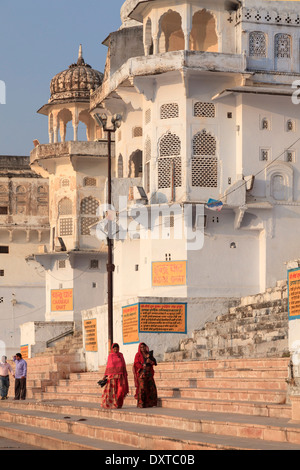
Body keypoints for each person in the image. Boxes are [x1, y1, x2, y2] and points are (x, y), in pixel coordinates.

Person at [101, 343, 129, 409]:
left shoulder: (121, 355)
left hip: (120, 376)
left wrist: (125, 374)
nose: (116, 350)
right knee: (112, 392)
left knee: (120, 391)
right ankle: (113, 404)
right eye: (114, 348)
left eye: (117, 348)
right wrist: (105, 376)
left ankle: (119, 404)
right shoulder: (110, 356)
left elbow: (123, 364)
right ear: (112, 349)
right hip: (112, 377)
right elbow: (108, 366)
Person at [133, 342, 157, 408]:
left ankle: (150, 403)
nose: (142, 348)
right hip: (141, 373)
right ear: (139, 348)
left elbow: (154, 361)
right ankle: (141, 403)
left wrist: (151, 362)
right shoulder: (138, 355)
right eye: (141, 347)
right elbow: (136, 363)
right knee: (142, 387)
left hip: (149, 373)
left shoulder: (148, 354)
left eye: (143, 347)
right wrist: (142, 366)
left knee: (151, 387)